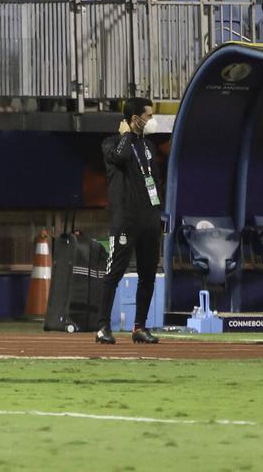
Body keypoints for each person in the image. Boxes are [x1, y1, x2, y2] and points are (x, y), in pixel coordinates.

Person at [95, 98, 162, 345]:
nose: (151, 120)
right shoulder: (111, 144)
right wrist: (125, 136)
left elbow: (153, 180)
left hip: (149, 220)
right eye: (148, 115)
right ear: (135, 119)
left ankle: (139, 327)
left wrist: (158, 212)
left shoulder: (148, 147)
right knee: (114, 273)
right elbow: (122, 157)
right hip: (126, 219)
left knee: (148, 275)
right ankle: (102, 326)